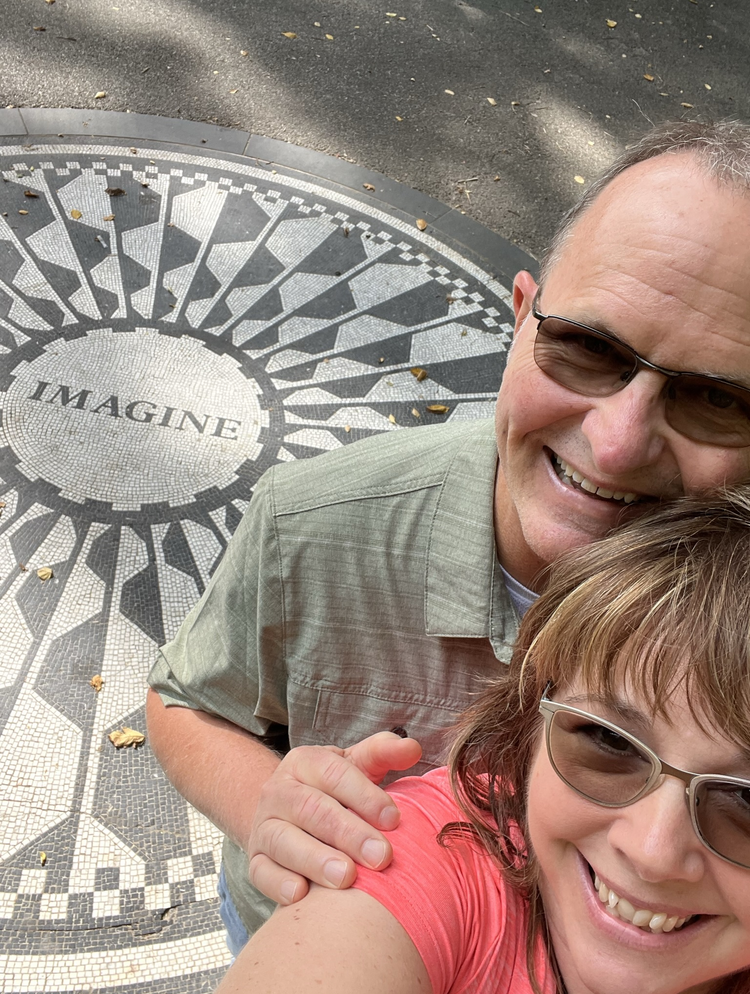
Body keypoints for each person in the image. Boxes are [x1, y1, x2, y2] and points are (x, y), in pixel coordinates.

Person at [146, 118, 750, 947]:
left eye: (715, 400)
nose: (614, 443)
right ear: (521, 317)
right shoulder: (315, 523)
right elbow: (185, 701)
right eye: (585, 347)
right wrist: (271, 808)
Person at [211, 490, 750, 994]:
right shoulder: (443, 851)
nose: (652, 853)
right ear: (529, 728)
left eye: (745, 799)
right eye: (608, 740)